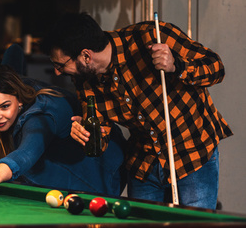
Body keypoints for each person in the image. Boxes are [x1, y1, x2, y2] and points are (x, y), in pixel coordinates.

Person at [43, 12, 231, 209]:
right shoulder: (83, 78)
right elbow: (102, 134)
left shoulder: (152, 37)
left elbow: (216, 68)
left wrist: (177, 65)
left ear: (86, 56)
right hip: (145, 163)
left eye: (60, 64)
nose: (57, 72)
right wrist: (88, 135)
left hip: (191, 153)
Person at [0, 64, 126, 197]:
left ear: (18, 99)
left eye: (4, 106)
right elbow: (14, 55)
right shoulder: (12, 84)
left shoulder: (41, 115)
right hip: (62, 188)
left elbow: (27, 153)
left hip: (103, 175)